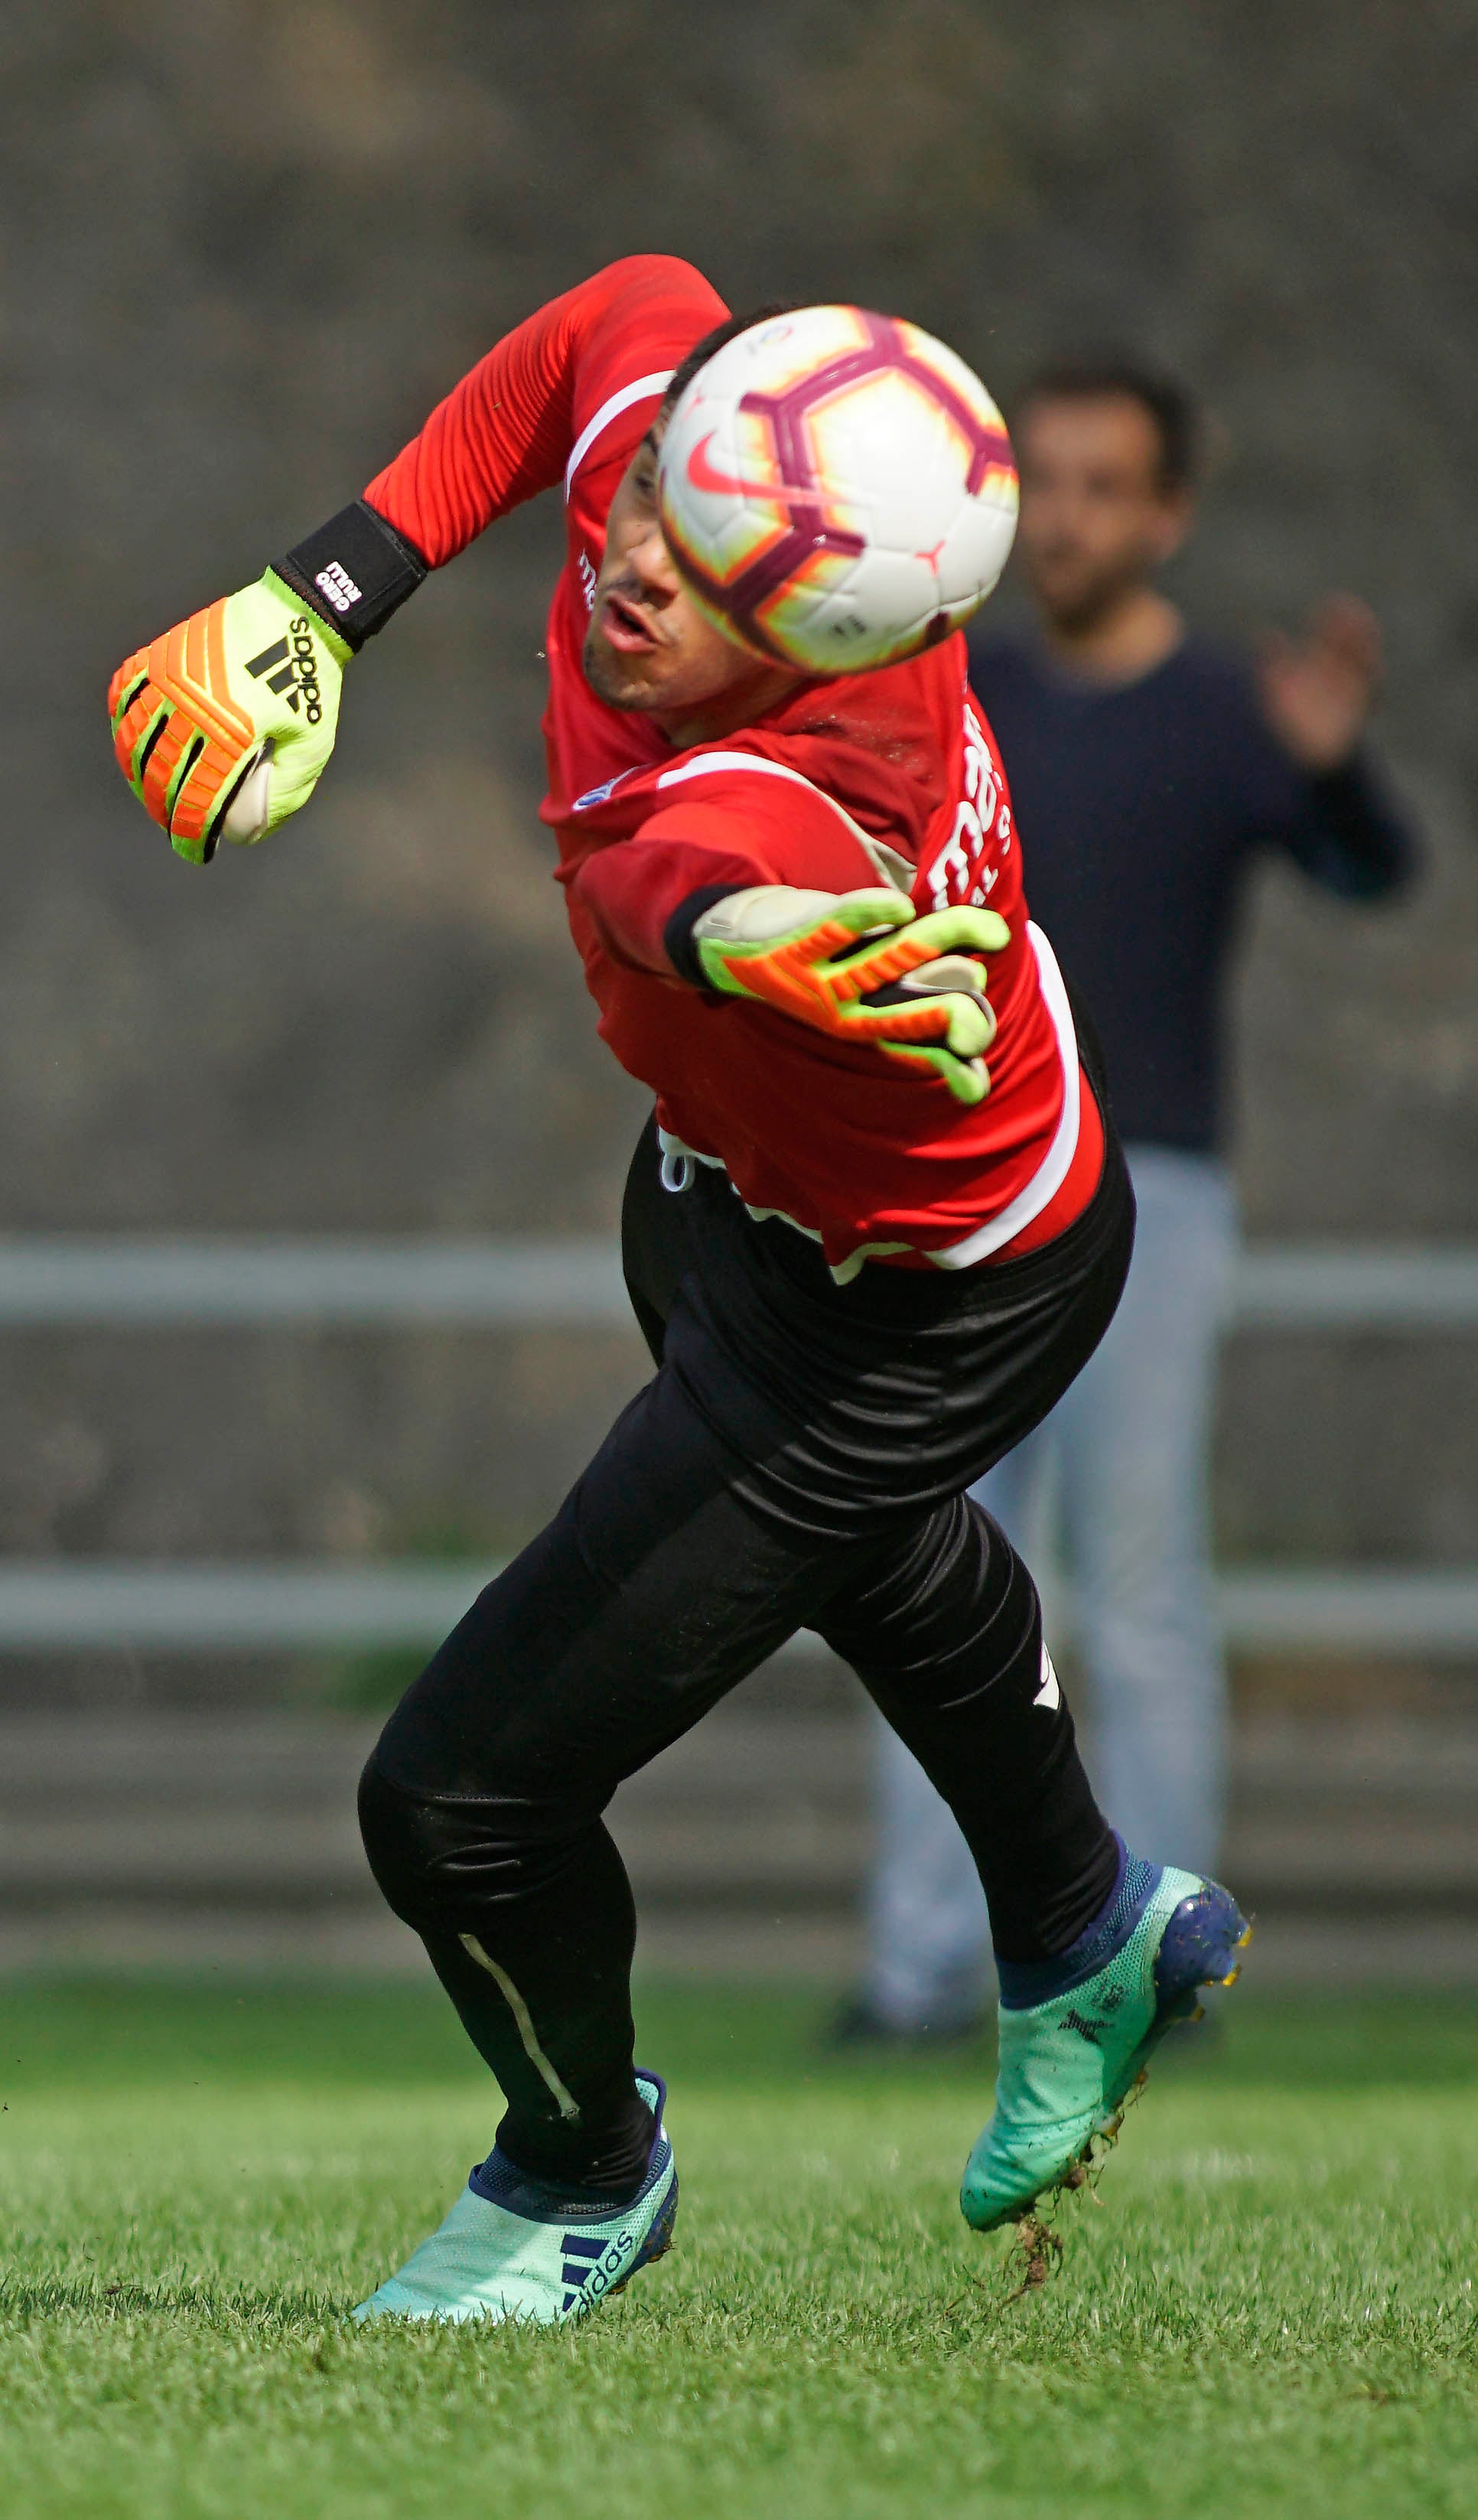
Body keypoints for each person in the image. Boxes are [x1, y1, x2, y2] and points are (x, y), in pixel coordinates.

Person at [106, 265, 1250, 2328]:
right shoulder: (698, 452)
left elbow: (672, 874)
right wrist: (326, 593)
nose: (640, 564)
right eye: (655, 498)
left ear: (830, 644)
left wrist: (742, 941)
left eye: (719, 580)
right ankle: (1086, 1925)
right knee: (871, 1549)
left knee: (455, 1805)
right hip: (734, 1197)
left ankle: (580, 2171)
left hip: (911, 1305)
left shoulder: (808, 789)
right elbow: (612, 318)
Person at [851, 357, 1417, 2044]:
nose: (1068, 519)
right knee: (933, 1576)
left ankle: (1158, 1970)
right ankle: (920, 1971)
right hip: (963, 1200)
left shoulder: (1228, 713)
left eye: (1107, 487)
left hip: (1149, 1194)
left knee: (1144, 1579)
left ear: (1167, 515)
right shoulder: (959, 700)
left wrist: (1334, 771)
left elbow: (1372, 871)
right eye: (1046, 481)